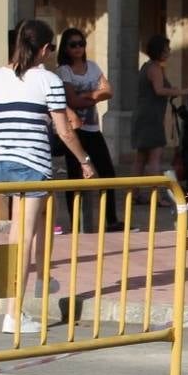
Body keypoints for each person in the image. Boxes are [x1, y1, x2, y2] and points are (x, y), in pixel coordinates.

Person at [0, 20, 97, 334]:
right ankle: (14, 314)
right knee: (24, 236)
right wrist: (85, 161)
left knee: (20, 231)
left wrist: (2, 131)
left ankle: (36, 284)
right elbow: (64, 130)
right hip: (32, 162)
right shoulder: (48, 80)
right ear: (44, 49)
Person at [55, 27, 122, 231]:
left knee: (108, 173)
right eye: (73, 44)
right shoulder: (63, 71)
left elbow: (109, 91)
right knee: (74, 177)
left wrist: (88, 96)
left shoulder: (92, 66)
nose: (78, 48)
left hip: (93, 128)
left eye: (81, 44)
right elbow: (71, 100)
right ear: (65, 48)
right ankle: (76, 223)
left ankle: (111, 219)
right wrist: (94, 94)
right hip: (74, 130)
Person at [133, 35, 188, 179]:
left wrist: (173, 90)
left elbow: (159, 89)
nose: (169, 51)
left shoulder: (148, 66)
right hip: (151, 117)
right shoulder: (154, 68)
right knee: (155, 156)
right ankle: (156, 195)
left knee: (141, 158)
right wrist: (185, 91)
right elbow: (159, 90)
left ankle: (135, 193)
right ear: (160, 51)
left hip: (144, 115)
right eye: (167, 49)